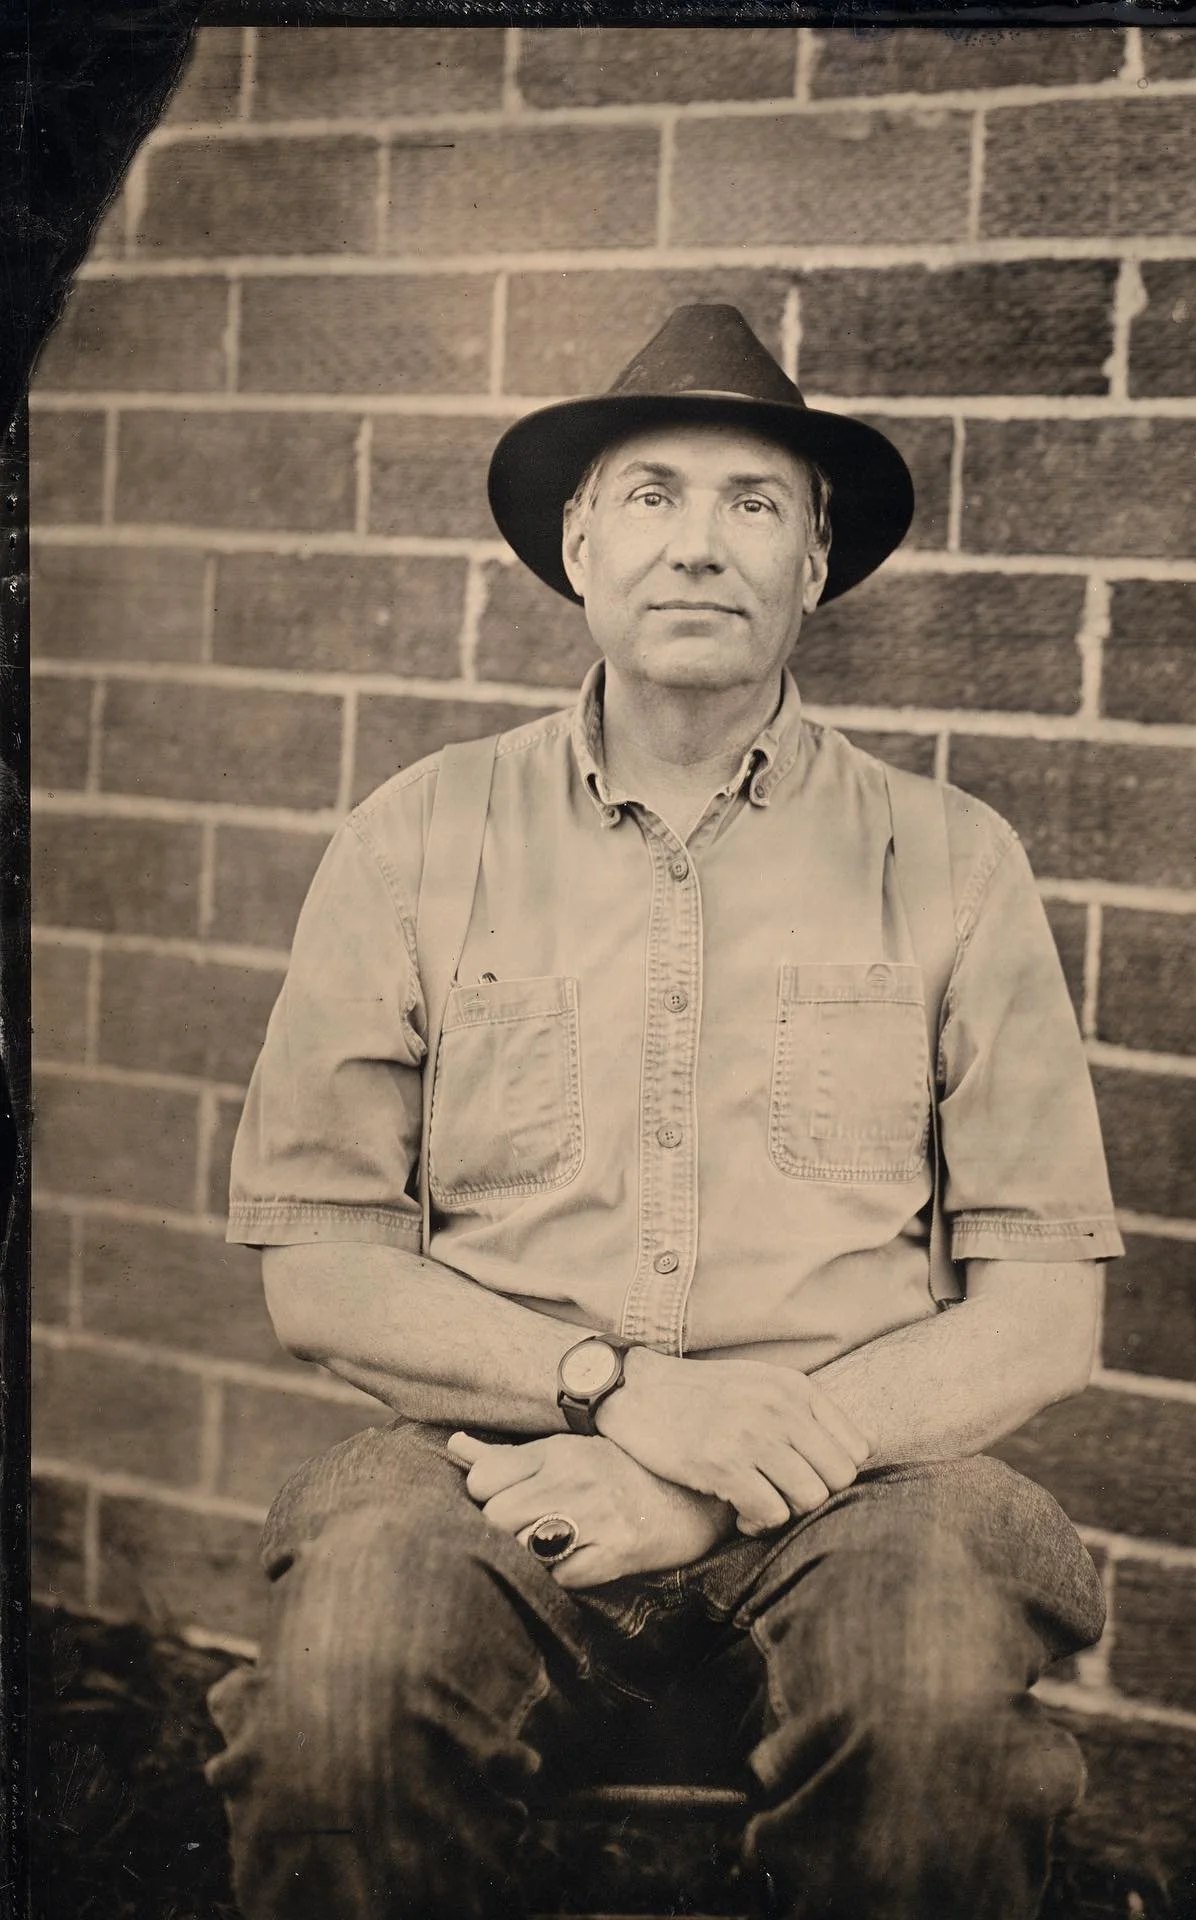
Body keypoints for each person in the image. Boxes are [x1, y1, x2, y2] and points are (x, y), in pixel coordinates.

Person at [206, 304, 1124, 1920]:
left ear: (815, 563)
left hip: (870, 1478)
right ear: (578, 543)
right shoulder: (416, 839)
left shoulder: (953, 860)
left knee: (926, 1705)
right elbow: (322, 1272)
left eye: (753, 504)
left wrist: (714, 1472)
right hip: (495, 1458)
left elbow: (1043, 1318)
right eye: (651, 495)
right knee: (344, 1685)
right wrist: (611, 1389)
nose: (698, 545)